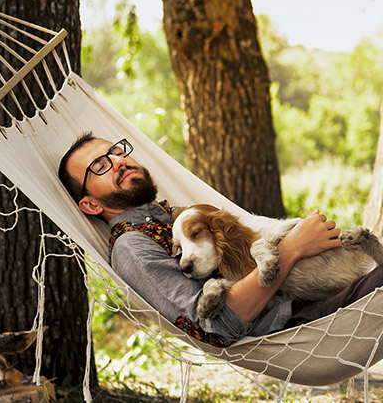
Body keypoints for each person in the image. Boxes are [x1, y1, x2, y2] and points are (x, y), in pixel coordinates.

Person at [58, 132, 383, 346]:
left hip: (322, 282)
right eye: (100, 165)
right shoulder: (131, 246)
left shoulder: (176, 215)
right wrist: (293, 248)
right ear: (90, 204)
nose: (118, 160)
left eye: (116, 151)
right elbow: (215, 326)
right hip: (296, 322)